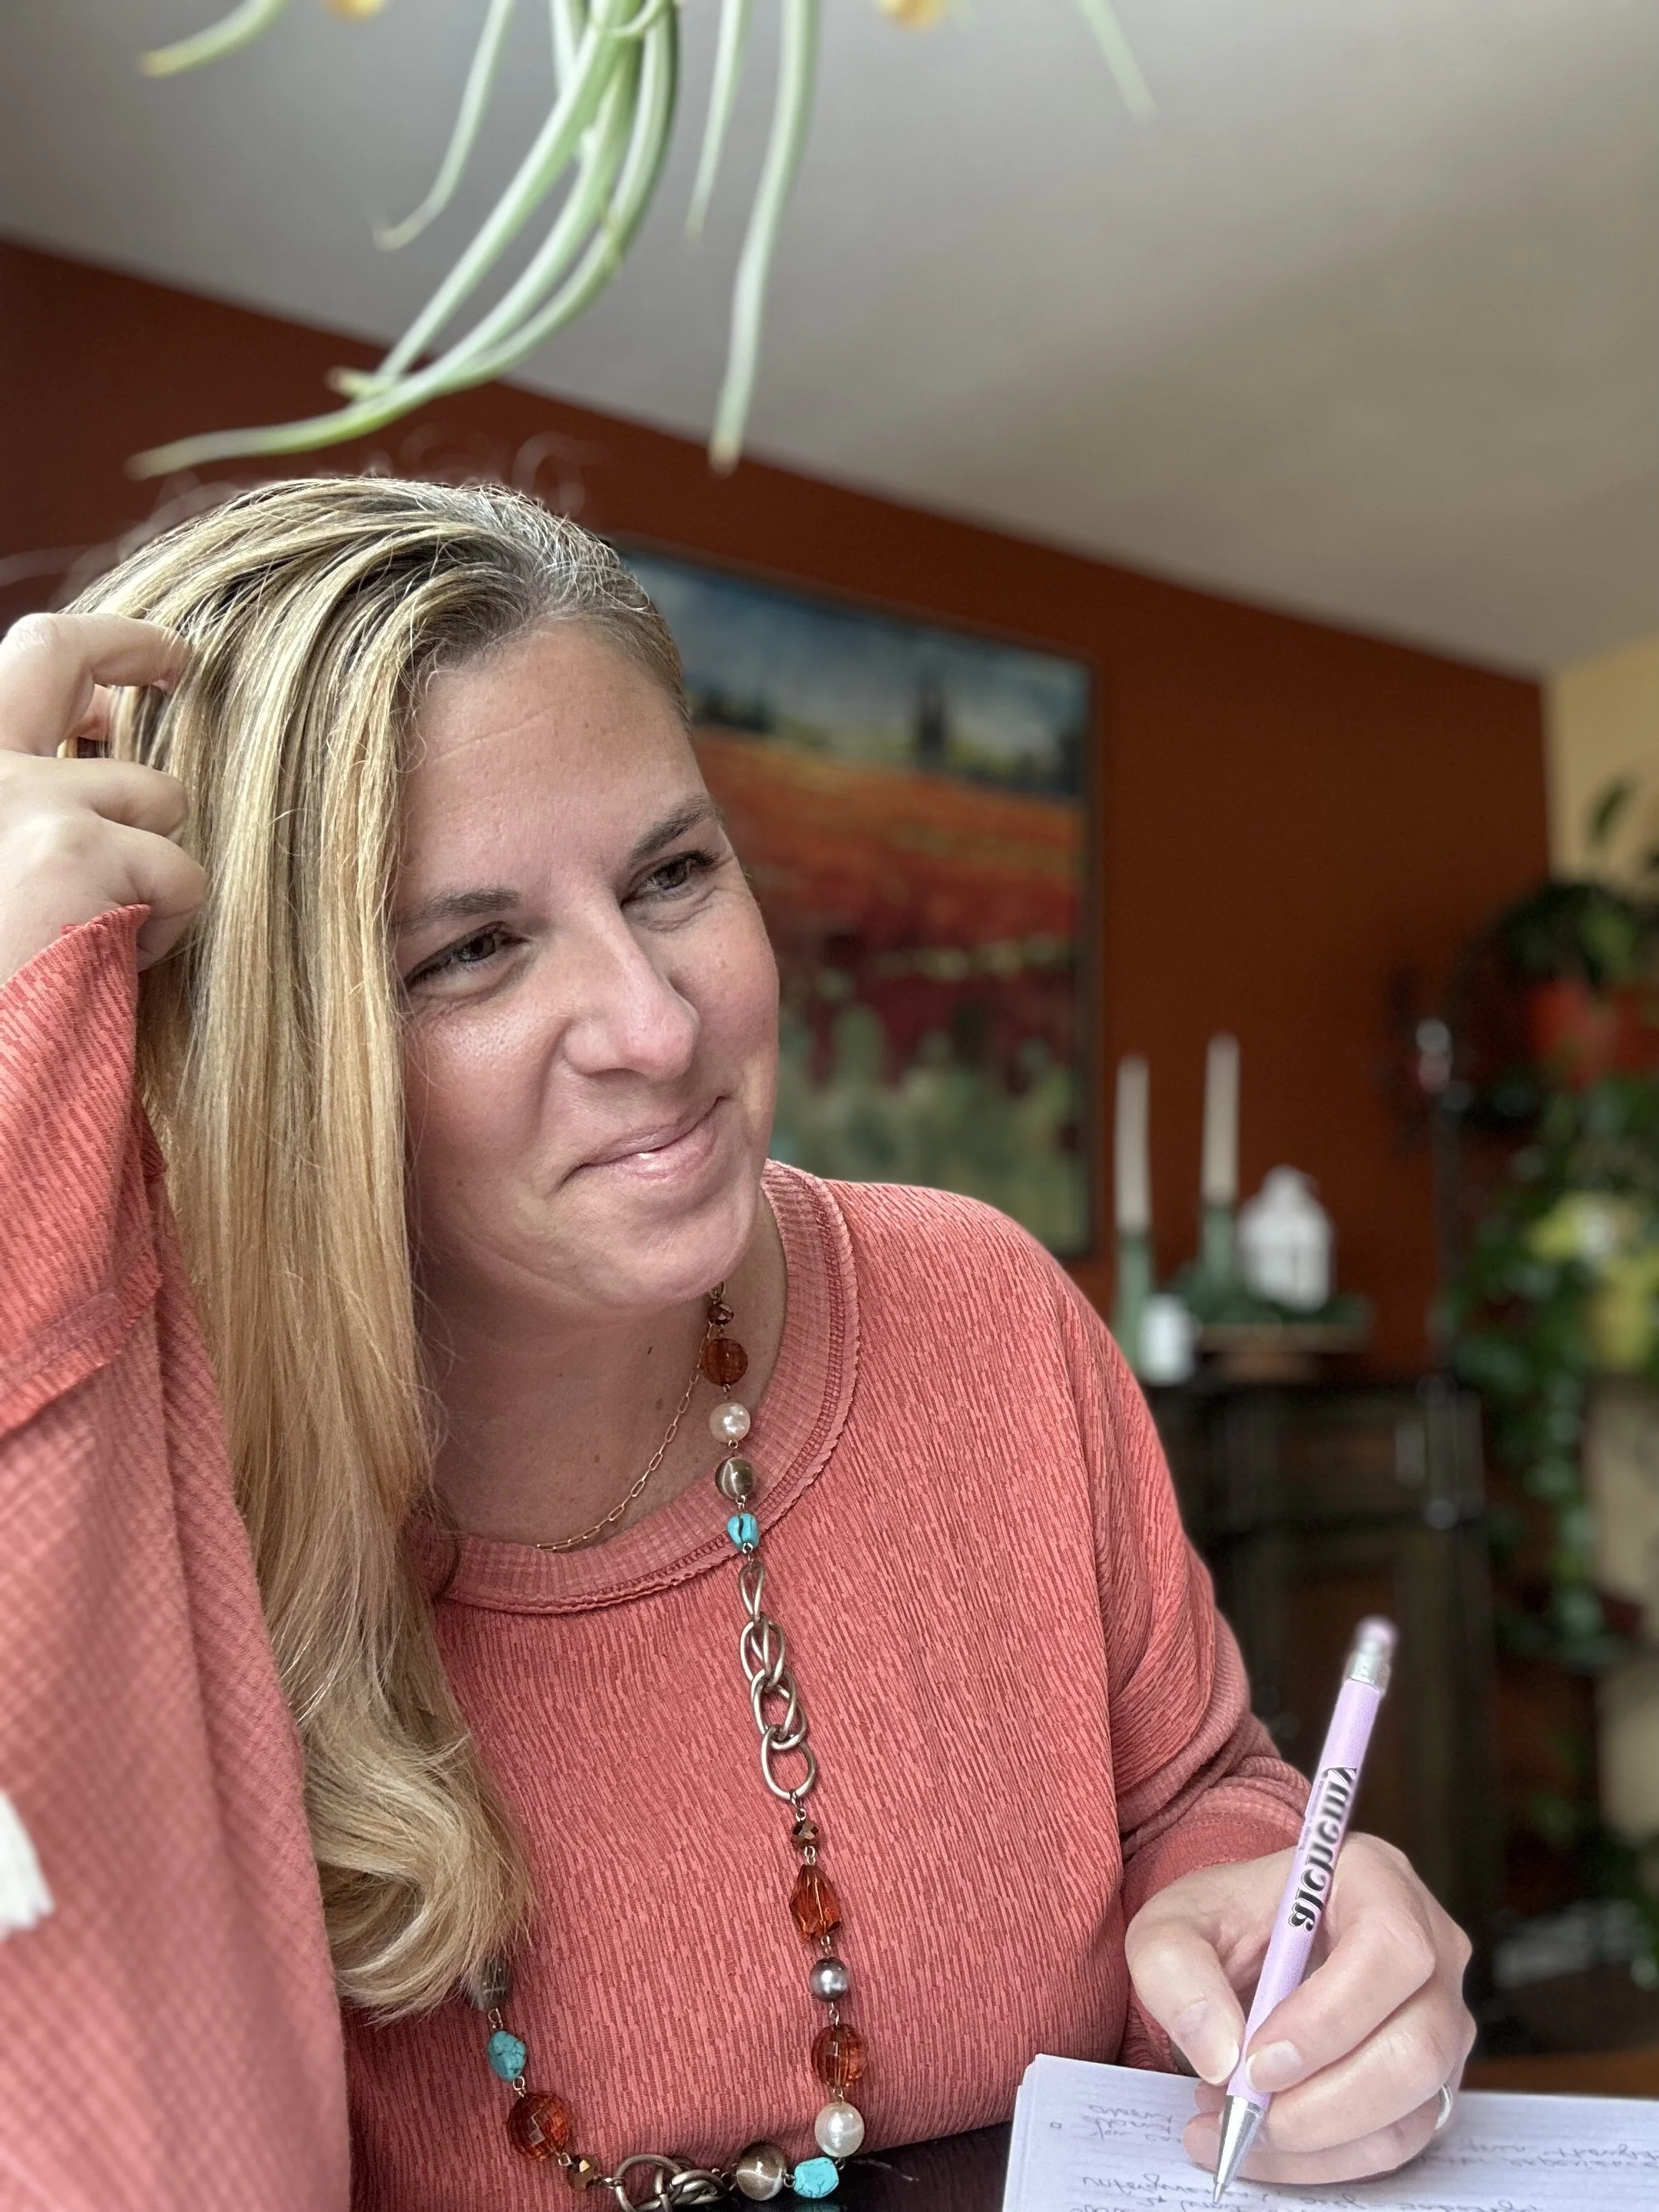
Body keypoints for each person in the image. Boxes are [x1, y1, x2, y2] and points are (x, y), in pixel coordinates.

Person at [0, 479, 1473, 2212]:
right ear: (266, 1048)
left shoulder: (984, 1312)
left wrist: (1267, 1923)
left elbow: (1198, 1784)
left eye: (673, 871)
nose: (657, 1019)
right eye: (471, 949)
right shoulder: (111, 1497)